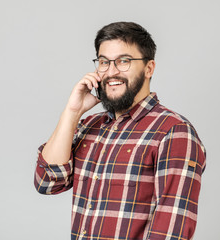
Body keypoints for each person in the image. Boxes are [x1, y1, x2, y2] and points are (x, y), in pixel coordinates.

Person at [34, 21, 206, 240]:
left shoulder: (174, 132)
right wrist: (72, 111)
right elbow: (47, 182)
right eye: (104, 62)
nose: (111, 71)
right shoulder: (88, 126)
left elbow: (171, 231)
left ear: (149, 68)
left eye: (123, 61)